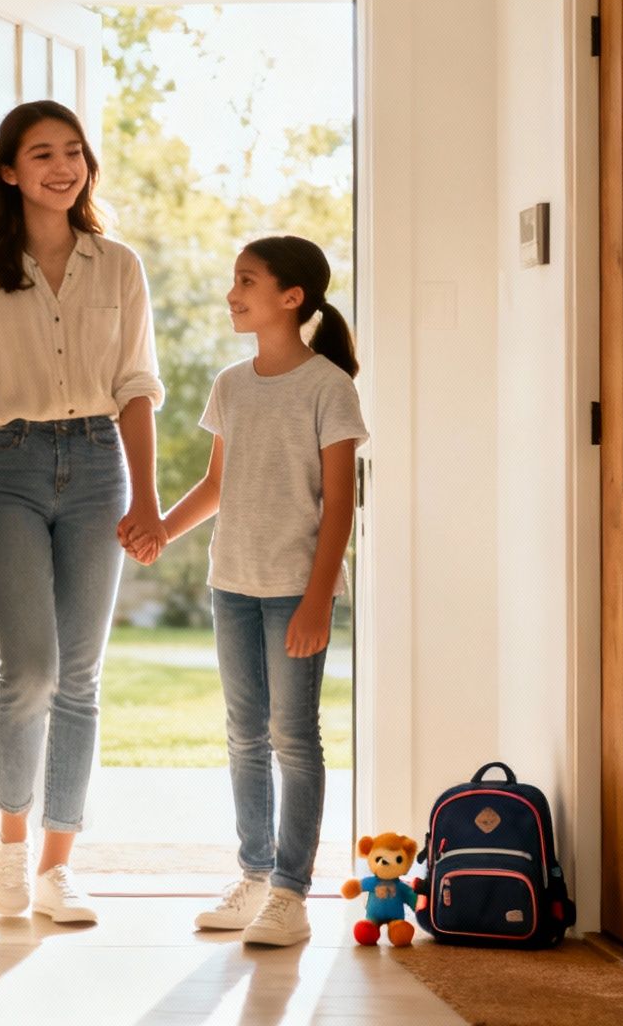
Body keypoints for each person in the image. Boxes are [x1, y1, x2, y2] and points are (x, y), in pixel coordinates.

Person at [0, 101, 164, 926]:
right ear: (10, 170)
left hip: (100, 464)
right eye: (42, 154)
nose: (62, 166)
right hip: (9, 466)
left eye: (73, 152)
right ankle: (8, 845)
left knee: (79, 677)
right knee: (28, 669)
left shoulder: (120, 266)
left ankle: (57, 865)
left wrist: (146, 498)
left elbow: (138, 386)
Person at [157, 235, 367, 947]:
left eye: (246, 281)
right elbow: (217, 485)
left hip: (292, 589)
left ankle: (290, 894)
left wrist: (316, 599)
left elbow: (338, 506)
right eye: (233, 280)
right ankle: (253, 876)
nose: (232, 293)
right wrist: (161, 529)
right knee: (244, 735)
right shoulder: (230, 385)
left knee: (291, 738)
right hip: (232, 584)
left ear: (291, 297)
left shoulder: (329, 387)